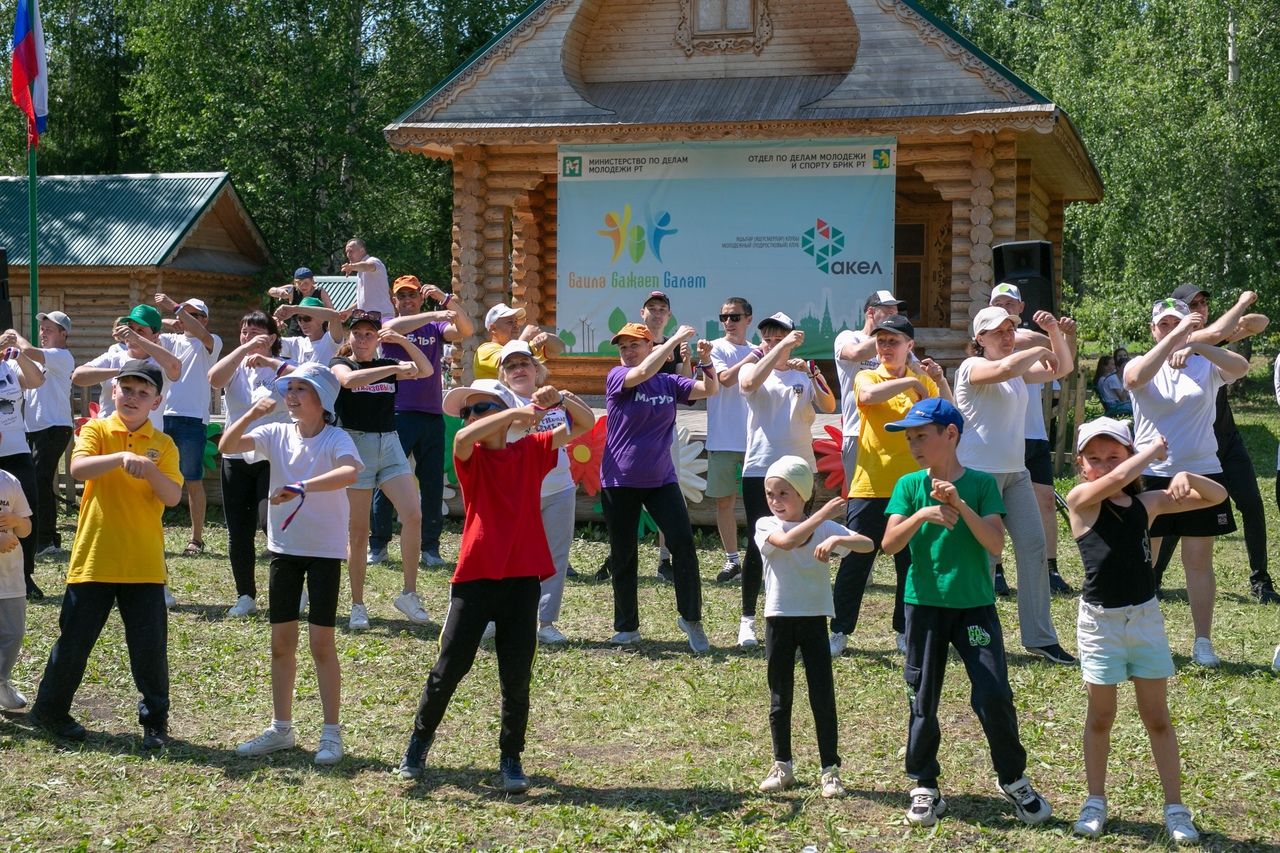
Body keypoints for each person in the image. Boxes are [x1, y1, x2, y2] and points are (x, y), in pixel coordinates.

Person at [398, 380, 591, 789]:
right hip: (475, 578)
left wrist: (559, 399)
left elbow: (585, 423)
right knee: (448, 670)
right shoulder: (470, 455)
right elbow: (466, 436)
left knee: (516, 677)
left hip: (522, 579)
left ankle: (510, 760)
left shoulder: (533, 450)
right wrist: (513, 413)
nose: (471, 417)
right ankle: (418, 743)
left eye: (481, 407)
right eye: (468, 410)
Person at [880, 397, 1053, 829]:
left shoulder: (979, 483)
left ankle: (1013, 779)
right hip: (923, 606)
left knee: (994, 693)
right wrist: (923, 512)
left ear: (950, 434)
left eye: (922, 435)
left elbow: (995, 544)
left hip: (975, 606)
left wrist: (960, 505)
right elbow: (890, 544)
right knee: (922, 697)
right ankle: (924, 785)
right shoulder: (908, 485)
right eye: (910, 437)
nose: (914, 444)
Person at [1066, 418, 1217, 844]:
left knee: (1157, 718)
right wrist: (1151, 455)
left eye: (1113, 455)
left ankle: (1175, 807)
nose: (1103, 466)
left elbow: (1217, 497)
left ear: (1128, 455)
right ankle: (1095, 801)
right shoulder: (1081, 501)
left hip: (1145, 619)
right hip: (1100, 624)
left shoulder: (1148, 504)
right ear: (1081, 465)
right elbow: (1115, 480)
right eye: (1092, 458)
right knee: (1101, 717)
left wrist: (1188, 476)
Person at [28, 360, 183, 746]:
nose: (132, 398)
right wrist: (118, 459)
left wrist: (148, 470)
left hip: (144, 564)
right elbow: (78, 468)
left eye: (142, 393)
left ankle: (155, 722)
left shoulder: (163, 445)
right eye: (126, 389)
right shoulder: (96, 428)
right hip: (94, 558)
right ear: (113, 392)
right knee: (74, 642)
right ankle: (49, 712)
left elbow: (174, 496)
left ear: (156, 401)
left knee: (149, 650)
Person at [221, 363, 361, 766]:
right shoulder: (275, 432)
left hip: (325, 553)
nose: (293, 396)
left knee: (321, 644)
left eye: (304, 389)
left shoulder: (336, 438)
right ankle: (281, 729)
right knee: (281, 644)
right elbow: (229, 446)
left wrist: (301, 488)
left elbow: (351, 471)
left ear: (324, 401)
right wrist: (251, 413)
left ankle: (331, 734)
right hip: (284, 550)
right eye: (290, 389)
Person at [1123, 298, 1249, 666]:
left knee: (1198, 561)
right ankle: (1139, 638)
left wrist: (1196, 344)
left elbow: (1240, 368)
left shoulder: (1205, 365)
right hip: (1150, 476)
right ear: (1153, 330)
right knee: (1144, 559)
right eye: (1163, 324)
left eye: (1177, 323)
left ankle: (1202, 642)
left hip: (1200, 473)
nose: (1171, 329)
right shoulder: (1141, 363)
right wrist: (1176, 337)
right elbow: (1134, 379)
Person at [953, 304, 1075, 664]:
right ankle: (969, 635)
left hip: (1016, 473)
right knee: (983, 559)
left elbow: (1063, 368)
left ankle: (1039, 637)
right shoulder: (971, 366)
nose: (1007, 337)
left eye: (1010, 331)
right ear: (980, 338)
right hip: (979, 476)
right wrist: (1038, 348)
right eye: (998, 332)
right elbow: (1005, 366)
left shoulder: (1018, 373)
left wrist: (1054, 332)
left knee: (1035, 548)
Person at [754, 455, 872, 799]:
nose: (775, 501)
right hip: (778, 619)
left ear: (803, 494)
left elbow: (867, 544)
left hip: (814, 619)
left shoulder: (824, 529)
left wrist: (838, 540)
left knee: (822, 695)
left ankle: (829, 770)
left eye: (784, 493)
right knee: (780, 696)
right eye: (770, 493)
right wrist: (822, 515)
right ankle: (783, 766)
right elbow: (787, 542)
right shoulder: (766, 525)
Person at [831, 315, 949, 657]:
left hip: (913, 486)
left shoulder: (924, 378)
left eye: (893, 342)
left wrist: (938, 383)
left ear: (909, 346)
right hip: (869, 484)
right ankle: (839, 630)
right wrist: (911, 385)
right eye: (881, 341)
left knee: (910, 564)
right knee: (855, 561)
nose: (885, 347)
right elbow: (867, 395)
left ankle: (905, 630)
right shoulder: (868, 374)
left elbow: (950, 414)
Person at [1151, 285, 1276, 604]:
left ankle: (1260, 581)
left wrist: (1245, 314)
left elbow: (1259, 323)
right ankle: (1153, 578)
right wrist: (1242, 301)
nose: (1202, 308)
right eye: (1194, 304)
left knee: (1251, 505)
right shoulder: (1175, 347)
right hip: (1193, 446)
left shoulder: (1208, 342)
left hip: (1227, 442)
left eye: (1205, 302)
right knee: (1176, 514)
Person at [601, 323, 717, 652]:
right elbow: (639, 372)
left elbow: (709, 391)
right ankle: (627, 628)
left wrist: (705, 362)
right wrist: (677, 340)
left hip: (661, 479)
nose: (626, 351)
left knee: (682, 544)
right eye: (622, 346)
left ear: (649, 345)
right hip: (619, 480)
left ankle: (691, 619)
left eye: (634, 345)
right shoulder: (616, 377)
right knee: (623, 554)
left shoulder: (668, 382)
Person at [329, 309, 435, 630]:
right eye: (357, 334)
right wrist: (391, 367)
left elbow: (426, 369)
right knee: (358, 532)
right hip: (355, 445)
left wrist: (402, 341)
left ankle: (409, 593)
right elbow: (348, 382)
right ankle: (357, 604)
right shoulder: (341, 364)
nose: (362, 339)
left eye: (369, 334)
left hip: (389, 443)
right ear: (349, 337)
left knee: (413, 514)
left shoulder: (385, 364)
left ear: (377, 338)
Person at [737, 313, 836, 648]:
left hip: (800, 469)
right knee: (758, 543)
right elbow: (748, 385)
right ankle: (747, 620)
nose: (772, 341)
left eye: (779, 336)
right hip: (760, 468)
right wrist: (774, 353)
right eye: (767, 337)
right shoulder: (753, 368)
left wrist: (812, 370)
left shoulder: (802, 373)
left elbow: (828, 403)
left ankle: (803, 611)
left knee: (803, 538)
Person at [495, 342, 596, 643]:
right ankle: (493, 617)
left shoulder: (556, 397)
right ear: (503, 375)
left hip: (559, 489)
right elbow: (518, 421)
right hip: (516, 492)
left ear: (537, 370)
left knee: (555, 557)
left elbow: (587, 421)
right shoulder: (499, 399)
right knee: (507, 556)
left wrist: (562, 398)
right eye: (511, 366)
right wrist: (542, 405)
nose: (519, 370)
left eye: (524, 363)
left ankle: (546, 622)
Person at [372, 276, 474, 567]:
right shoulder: (389, 323)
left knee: (431, 485)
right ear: (395, 300)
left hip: (431, 415)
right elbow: (391, 330)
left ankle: (430, 548)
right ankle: (378, 545)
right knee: (387, 479)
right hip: (398, 413)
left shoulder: (437, 328)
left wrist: (446, 300)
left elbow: (466, 329)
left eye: (412, 296)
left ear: (420, 297)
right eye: (402, 296)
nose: (407, 301)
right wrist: (433, 312)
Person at [987, 284, 1076, 596]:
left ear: (1021, 306)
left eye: (1010, 303)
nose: (1005, 308)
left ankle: (1049, 569)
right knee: (994, 507)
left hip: (1033, 435)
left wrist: (1065, 335)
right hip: (998, 440)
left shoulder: (1023, 342)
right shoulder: (992, 346)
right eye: (999, 303)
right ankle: (995, 571)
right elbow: (1026, 342)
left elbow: (1062, 366)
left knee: (1046, 502)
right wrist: (1047, 337)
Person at [208, 311, 293, 616]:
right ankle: (245, 595)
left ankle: (291, 590)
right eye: (244, 332)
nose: (249, 337)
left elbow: (306, 382)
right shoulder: (236, 365)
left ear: (271, 338)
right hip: (235, 456)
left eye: (256, 333)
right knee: (238, 531)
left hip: (272, 456)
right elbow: (214, 379)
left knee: (270, 524)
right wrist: (243, 350)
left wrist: (269, 360)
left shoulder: (281, 367)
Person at [153, 294, 223, 558]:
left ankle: (196, 538)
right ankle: (152, 528)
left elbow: (198, 332)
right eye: (188, 314)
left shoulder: (212, 342)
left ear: (205, 320)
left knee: (192, 479)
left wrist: (175, 309)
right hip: (162, 416)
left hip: (193, 419)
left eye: (196, 315)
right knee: (153, 475)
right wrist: (173, 319)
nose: (190, 318)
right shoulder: (170, 340)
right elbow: (150, 328)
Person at [834, 290, 906, 491]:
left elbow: (916, 371)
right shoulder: (849, 337)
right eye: (889, 310)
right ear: (871, 312)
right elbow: (855, 354)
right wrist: (889, 337)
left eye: (896, 311)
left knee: (895, 500)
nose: (895, 315)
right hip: (857, 432)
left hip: (893, 432)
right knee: (860, 499)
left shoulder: (898, 344)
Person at [706, 297, 756, 584]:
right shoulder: (715, 348)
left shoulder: (759, 350)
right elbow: (724, 379)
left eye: (735, 317)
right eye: (724, 317)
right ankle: (732, 560)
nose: (728, 322)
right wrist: (752, 358)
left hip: (756, 441)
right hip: (723, 438)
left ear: (748, 319)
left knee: (758, 504)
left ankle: (756, 558)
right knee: (724, 502)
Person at [72, 305, 181, 434]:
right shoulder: (114, 357)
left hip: (147, 441)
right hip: (109, 439)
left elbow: (175, 368)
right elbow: (78, 377)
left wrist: (137, 338)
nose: (132, 333)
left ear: (156, 336)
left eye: (140, 330)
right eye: (131, 328)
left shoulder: (161, 362)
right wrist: (122, 372)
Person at [18, 312, 75, 557]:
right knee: (38, 482)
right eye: (42, 329)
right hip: (35, 429)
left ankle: (44, 540)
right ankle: (48, 537)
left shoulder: (61, 356)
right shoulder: (43, 359)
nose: (43, 333)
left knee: (39, 481)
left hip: (54, 427)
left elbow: (27, 351)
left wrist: (15, 338)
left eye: (49, 329)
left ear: (64, 334)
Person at [0, 332, 45, 601]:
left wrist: (18, 351)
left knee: (29, 509)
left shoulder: (10, 365)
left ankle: (25, 574)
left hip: (17, 450)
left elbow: (37, 380)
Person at [0, 466, 33, 709]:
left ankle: (1, 682)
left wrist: (17, 521)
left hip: (9, 576)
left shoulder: (9, 480)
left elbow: (26, 528)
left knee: (13, 633)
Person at [473, 303, 564, 381]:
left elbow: (558, 349)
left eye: (516, 322)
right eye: (510, 322)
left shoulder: (523, 347)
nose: (516, 326)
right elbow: (509, 361)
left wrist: (547, 337)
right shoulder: (484, 350)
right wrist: (526, 336)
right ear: (493, 328)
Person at [276, 297, 345, 366]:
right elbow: (268, 341)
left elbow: (335, 316)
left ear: (322, 319)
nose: (302, 323)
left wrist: (295, 309)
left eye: (307, 318)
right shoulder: (296, 343)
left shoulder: (331, 340)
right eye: (299, 319)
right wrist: (272, 323)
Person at [268, 267, 334, 336]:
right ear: (295, 282)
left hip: (317, 334)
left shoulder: (320, 292)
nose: (303, 286)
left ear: (312, 281)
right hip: (296, 333)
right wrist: (279, 292)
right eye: (299, 283)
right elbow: (271, 291)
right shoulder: (293, 290)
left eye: (306, 283)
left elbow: (331, 312)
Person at [340, 238, 395, 317]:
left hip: (382, 316)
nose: (348, 255)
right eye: (347, 252)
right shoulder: (359, 272)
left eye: (351, 251)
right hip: (369, 318)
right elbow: (365, 301)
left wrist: (352, 267)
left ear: (362, 251)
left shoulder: (374, 261)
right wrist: (348, 311)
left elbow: (367, 266)